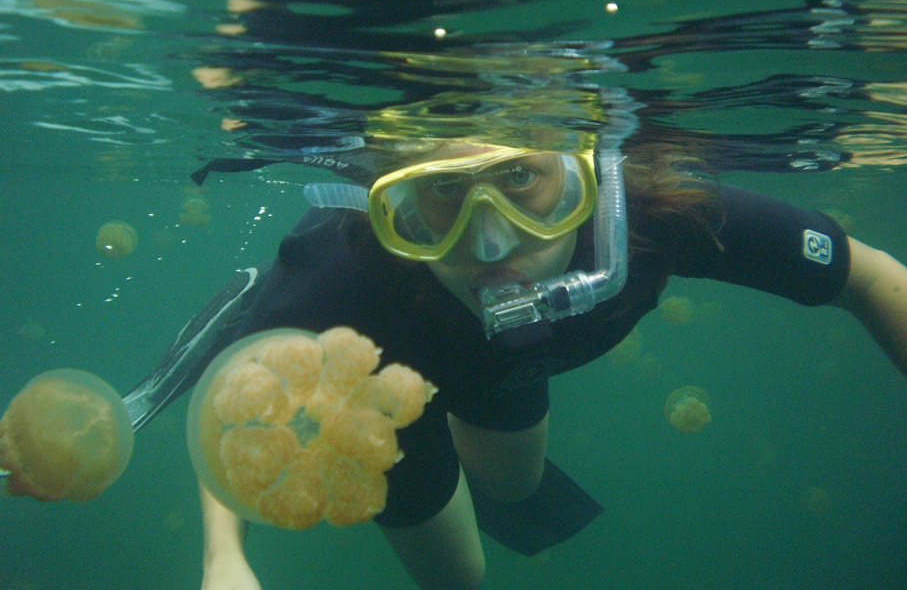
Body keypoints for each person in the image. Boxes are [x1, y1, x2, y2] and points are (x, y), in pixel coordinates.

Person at [187, 137, 907, 590]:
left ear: (590, 174)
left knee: (514, 484)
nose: (494, 243)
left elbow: (866, 276)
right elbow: (240, 411)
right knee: (458, 574)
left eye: (523, 179)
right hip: (376, 401)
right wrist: (224, 562)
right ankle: (246, 299)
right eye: (445, 190)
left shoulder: (658, 215)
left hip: (507, 370)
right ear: (395, 203)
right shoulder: (342, 277)